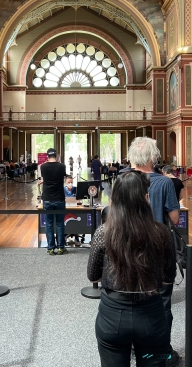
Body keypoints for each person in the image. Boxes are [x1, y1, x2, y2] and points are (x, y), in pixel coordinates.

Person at [87, 171, 176, 367]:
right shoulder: (161, 232)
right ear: (146, 198)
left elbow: (92, 275)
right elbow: (168, 278)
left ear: (114, 200)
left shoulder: (103, 232)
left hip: (113, 315)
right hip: (151, 314)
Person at [128, 137, 180, 367]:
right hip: (157, 250)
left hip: (129, 248)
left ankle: (135, 349)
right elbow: (175, 219)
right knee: (162, 303)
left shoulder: (123, 180)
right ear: (152, 157)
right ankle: (160, 351)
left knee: (132, 299)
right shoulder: (164, 183)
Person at [38, 148, 67, 255]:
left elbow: (47, 177)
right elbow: (61, 178)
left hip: (47, 198)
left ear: (47, 156)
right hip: (59, 198)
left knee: (49, 224)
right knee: (60, 223)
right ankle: (61, 247)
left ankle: (50, 248)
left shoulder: (43, 166)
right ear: (56, 156)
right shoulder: (62, 166)